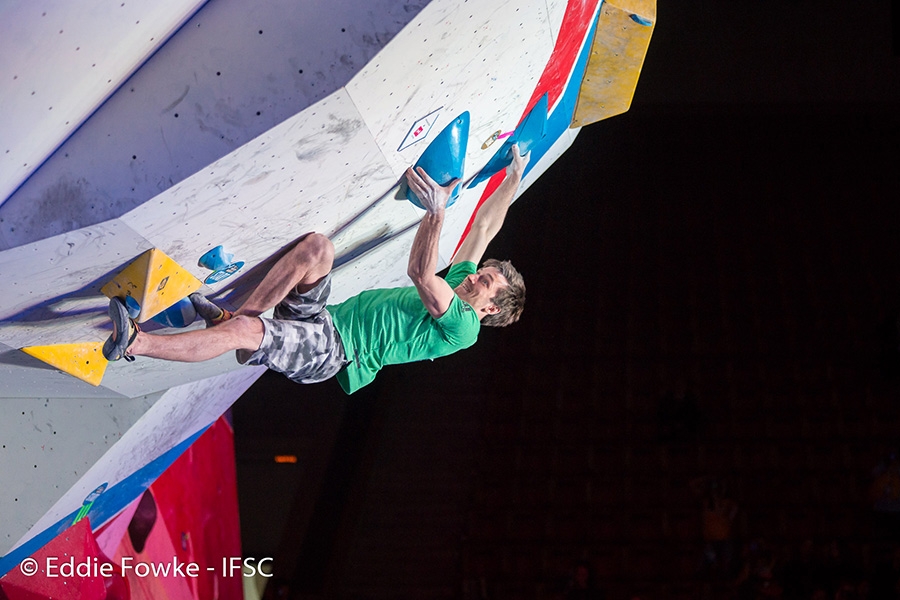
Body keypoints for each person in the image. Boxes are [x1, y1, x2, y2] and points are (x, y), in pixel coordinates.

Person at [102, 145, 529, 394]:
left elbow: (421, 273)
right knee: (317, 250)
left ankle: (135, 343)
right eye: (480, 272)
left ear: (490, 308)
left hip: (331, 353)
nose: (473, 276)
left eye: (483, 283)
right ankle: (236, 318)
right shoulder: (465, 280)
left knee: (245, 337)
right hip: (324, 320)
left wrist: (434, 214)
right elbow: (485, 226)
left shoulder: (464, 327)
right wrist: (513, 178)